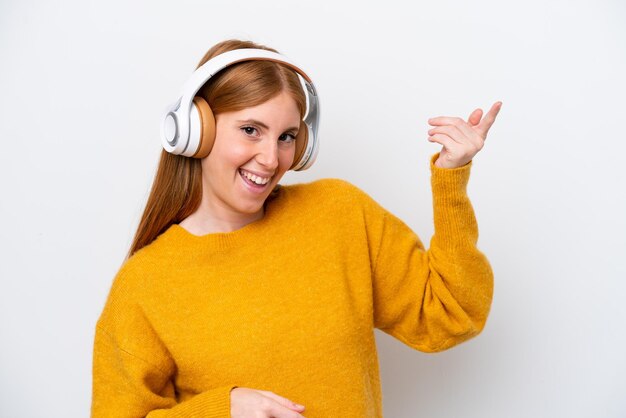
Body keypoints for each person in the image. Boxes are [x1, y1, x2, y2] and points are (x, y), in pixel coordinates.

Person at [91, 39, 502, 418]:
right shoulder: (145, 284)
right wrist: (222, 409)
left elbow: (453, 313)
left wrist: (452, 178)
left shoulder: (340, 214)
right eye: (251, 130)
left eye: (287, 137)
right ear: (197, 131)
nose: (271, 159)